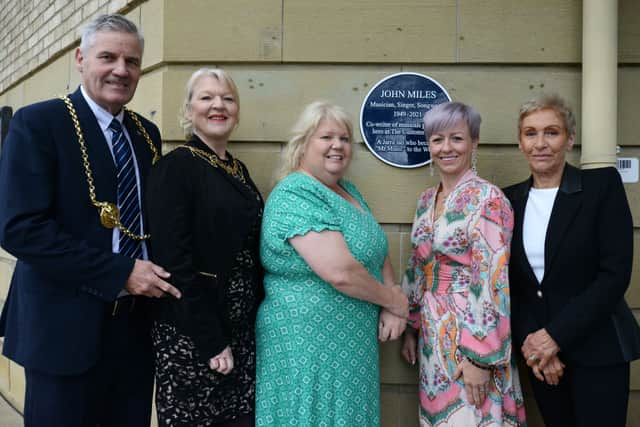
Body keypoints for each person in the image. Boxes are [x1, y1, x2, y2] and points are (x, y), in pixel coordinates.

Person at [0, 14, 181, 427]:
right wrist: (121, 271)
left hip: (134, 330)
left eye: (132, 61)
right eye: (108, 57)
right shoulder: (39, 123)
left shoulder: (145, 133)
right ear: (81, 59)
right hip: (62, 327)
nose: (121, 70)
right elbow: (20, 228)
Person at [255, 101, 408, 425]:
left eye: (343, 138)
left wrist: (392, 293)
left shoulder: (347, 191)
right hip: (308, 345)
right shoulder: (296, 193)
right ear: (303, 144)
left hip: (351, 345)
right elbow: (341, 272)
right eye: (326, 137)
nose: (337, 145)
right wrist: (393, 301)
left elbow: (374, 251)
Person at [504, 93, 640, 427]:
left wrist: (555, 337)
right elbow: (509, 284)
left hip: (599, 350)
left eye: (552, 132)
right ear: (520, 143)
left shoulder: (601, 186)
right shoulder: (508, 200)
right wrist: (534, 344)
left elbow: (614, 274)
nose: (541, 143)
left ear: (570, 138)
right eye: (530, 133)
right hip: (541, 358)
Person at [145, 68, 263, 427]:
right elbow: (172, 262)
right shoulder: (176, 167)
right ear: (189, 109)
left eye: (228, 99)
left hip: (240, 334)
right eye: (207, 97)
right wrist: (211, 340)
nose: (218, 106)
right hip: (194, 335)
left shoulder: (238, 169)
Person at [400, 102, 526, 426]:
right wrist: (412, 325)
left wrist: (480, 359)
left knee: (471, 417)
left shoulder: (489, 199)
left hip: (470, 334)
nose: (446, 148)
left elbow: (492, 278)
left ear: (474, 142)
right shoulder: (426, 200)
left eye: (456, 138)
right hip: (432, 333)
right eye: (437, 140)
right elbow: (418, 265)